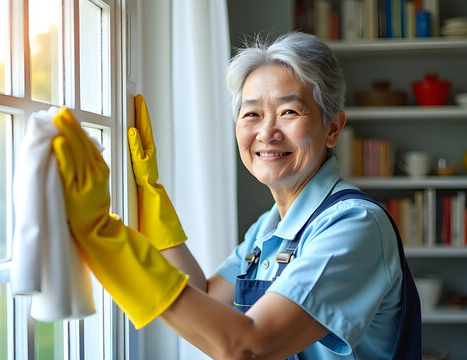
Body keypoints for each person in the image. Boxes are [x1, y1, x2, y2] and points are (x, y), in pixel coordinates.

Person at [51, 32, 421, 359]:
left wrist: (103, 237)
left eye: (289, 111)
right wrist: (151, 198)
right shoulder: (269, 228)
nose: (267, 132)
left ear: (332, 129)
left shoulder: (354, 225)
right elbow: (209, 303)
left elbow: (250, 346)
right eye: (252, 114)